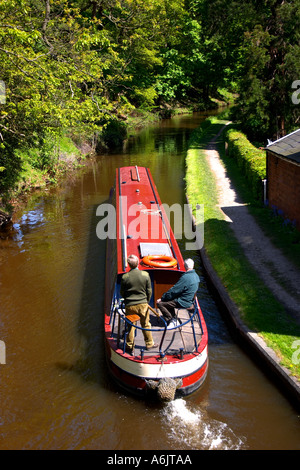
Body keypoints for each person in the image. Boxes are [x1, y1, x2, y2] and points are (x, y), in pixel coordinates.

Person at [120, 254, 158, 353]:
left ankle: (129, 346)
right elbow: (149, 291)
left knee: (131, 326)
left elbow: (122, 292)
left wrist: (127, 299)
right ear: (138, 263)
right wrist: (146, 301)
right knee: (146, 324)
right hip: (143, 305)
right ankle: (149, 344)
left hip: (130, 305)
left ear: (129, 264)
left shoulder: (125, 277)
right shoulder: (145, 275)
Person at [157, 258, 200, 328]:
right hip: (189, 300)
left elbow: (174, 291)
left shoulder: (186, 277)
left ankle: (172, 320)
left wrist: (162, 298)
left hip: (183, 302)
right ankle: (173, 317)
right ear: (193, 265)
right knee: (169, 300)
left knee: (160, 304)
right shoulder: (196, 276)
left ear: (185, 266)